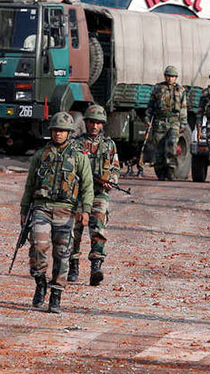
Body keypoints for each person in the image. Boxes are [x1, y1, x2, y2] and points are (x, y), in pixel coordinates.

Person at [19, 112, 94, 313]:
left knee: (62, 253)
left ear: (69, 133)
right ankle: (40, 282)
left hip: (66, 211)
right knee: (38, 247)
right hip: (42, 208)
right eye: (55, 130)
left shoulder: (79, 157)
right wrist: (24, 209)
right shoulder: (40, 155)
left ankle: (56, 294)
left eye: (62, 131)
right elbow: (30, 185)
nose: (58, 134)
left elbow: (87, 186)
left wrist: (86, 210)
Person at [68, 105, 120, 286]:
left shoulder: (109, 145)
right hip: (78, 194)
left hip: (99, 193)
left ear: (102, 124)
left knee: (98, 228)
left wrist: (111, 180)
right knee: (73, 230)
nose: (94, 126)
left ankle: (96, 266)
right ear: (86, 123)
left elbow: (115, 168)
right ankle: (73, 264)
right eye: (91, 122)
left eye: (98, 123)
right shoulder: (75, 144)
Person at [146, 65, 187, 181]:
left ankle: (171, 170)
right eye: (168, 76)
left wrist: (183, 123)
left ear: (176, 78)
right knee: (158, 148)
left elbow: (183, 107)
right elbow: (151, 105)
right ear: (165, 76)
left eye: (173, 77)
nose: (170, 79)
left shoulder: (180, 90)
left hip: (174, 121)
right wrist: (148, 119)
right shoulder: (158, 88)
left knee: (172, 145)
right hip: (160, 121)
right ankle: (160, 172)